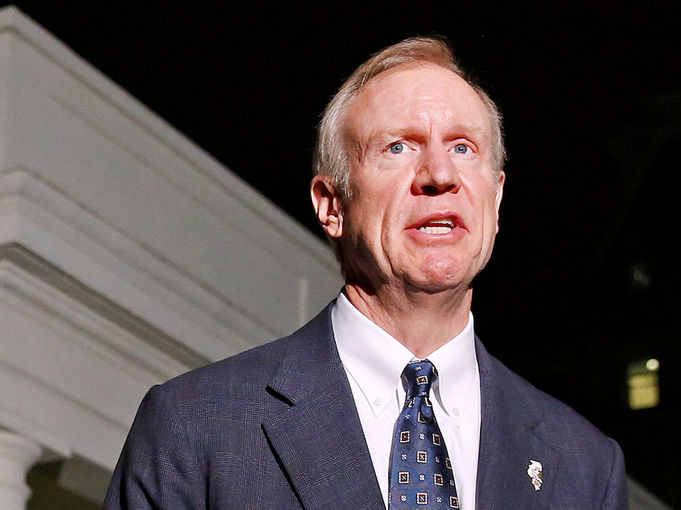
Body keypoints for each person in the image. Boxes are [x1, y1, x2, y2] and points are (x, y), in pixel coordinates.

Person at [104, 37, 628, 510]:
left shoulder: (583, 465)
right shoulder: (196, 426)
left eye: (463, 147)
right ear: (331, 204)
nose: (440, 175)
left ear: (496, 200)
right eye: (398, 147)